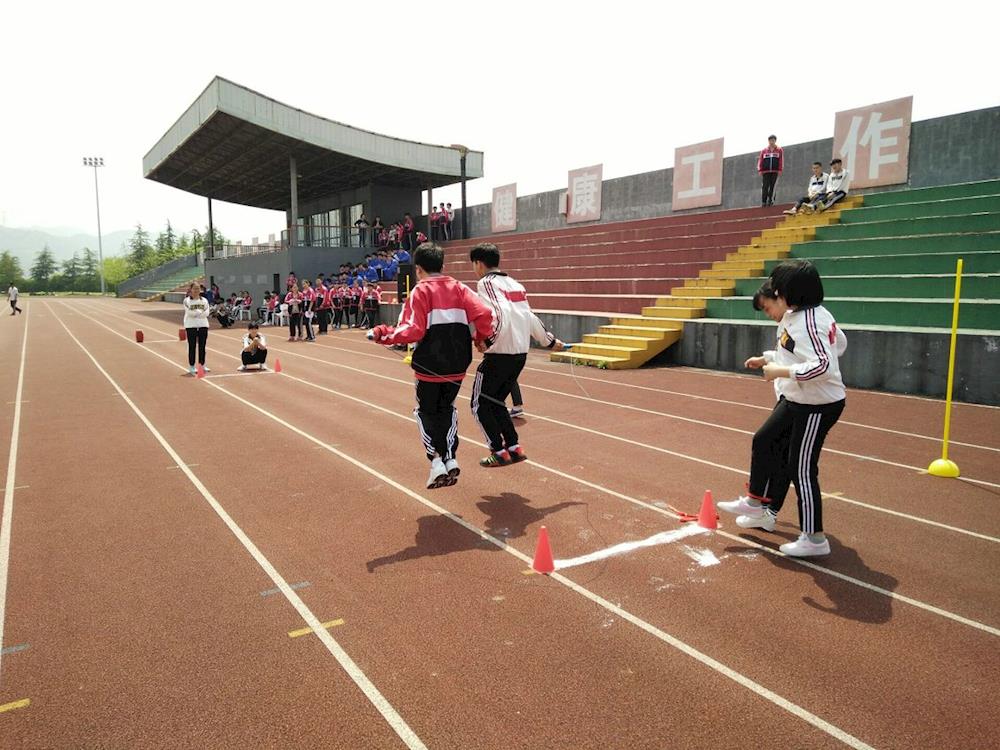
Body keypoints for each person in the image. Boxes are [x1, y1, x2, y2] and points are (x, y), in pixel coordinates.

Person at [717, 260, 846, 557]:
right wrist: (769, 360)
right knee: (764, 439)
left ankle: (814, 538)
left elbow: (825, 365)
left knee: (801, 468)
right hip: (797, 398)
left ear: (792, 292)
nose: (775, 293)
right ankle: (756, 503)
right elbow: (838, 344)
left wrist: (783, 372)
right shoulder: (797, 316)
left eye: (778, 289)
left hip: (817, 404)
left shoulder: (811, 320)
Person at [368, 242, 493, 489]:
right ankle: (450, 457)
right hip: (457, 364)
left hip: (429, 366)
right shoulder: (460, 288)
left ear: (418, 269)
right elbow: (485, 314)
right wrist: (480, 338)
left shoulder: (420, 291)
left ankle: (436, 461)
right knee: (447, 409)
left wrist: (383, 334)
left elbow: (412, 329)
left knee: (425, 412)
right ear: (442, 265)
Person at [468, 243, 565, 467]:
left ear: (479, 263)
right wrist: (549, 341)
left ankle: (498, 451)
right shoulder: (515, 284)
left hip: (499, 354)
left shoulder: (486, 283)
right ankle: (513, 447)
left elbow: (500, 314)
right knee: (496, 402)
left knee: (479, 404)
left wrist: (487, 341)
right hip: (519, 355)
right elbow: (528, 316)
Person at [182, 282, 211, 375]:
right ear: (191, 290)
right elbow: (189, 313)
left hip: (203, 325)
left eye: (198, 288)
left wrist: (197, 313)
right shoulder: (186, 301)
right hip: (191, 326)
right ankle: (192, 366)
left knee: (202, 347)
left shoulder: (204, 300)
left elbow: (207, 312)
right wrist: (199, 313)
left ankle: (202, 365)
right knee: (192, 346)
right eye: (194, 288)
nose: (196, 290)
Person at [757, 135, 783, 207]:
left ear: (775, 141)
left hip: (775, 171)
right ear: (768, 141)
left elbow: (781, 160)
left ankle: (770, 201)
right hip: (766, 171)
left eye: (773, 140)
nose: (772, 142)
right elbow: (760, 160)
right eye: (770, 140)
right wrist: (760, 170)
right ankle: (764, 201)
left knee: (773, 187)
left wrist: (780, 169)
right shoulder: (764, 150)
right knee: (765, 187)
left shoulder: (779, 150)